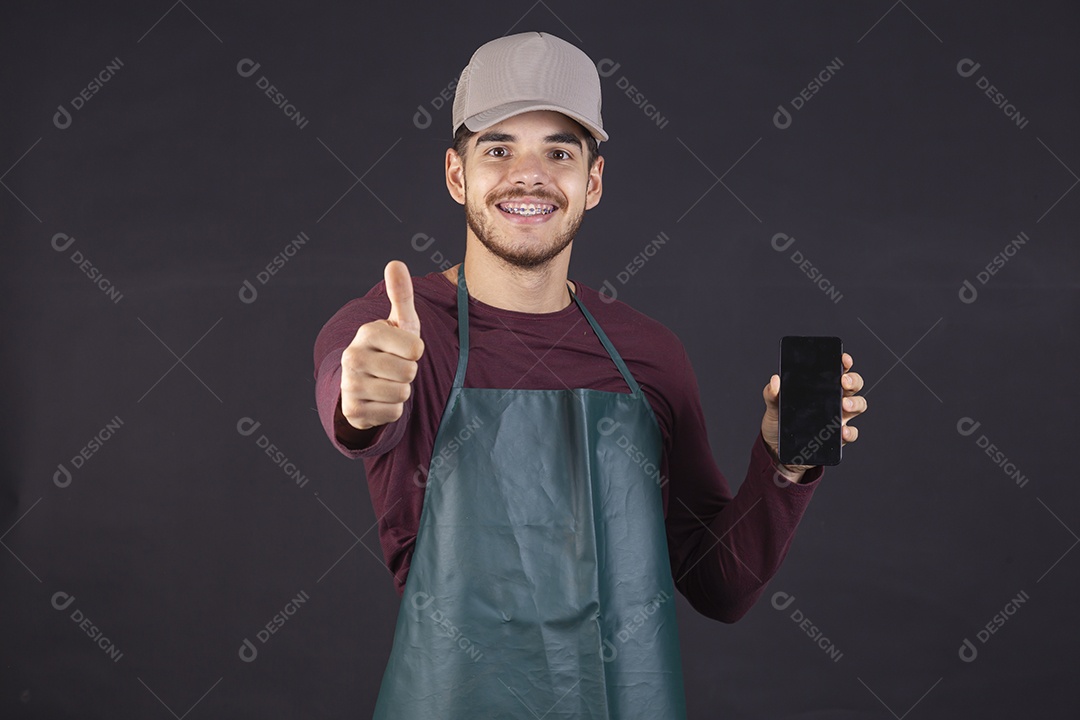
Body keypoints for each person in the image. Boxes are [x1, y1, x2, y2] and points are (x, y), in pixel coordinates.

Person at [313, 31, 867, 719]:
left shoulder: (650, 354)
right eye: (498, 148)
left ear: (592, 182)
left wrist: (785, 464)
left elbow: (719, 587)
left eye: (559, 150)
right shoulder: (397, 329)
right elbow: (354, 392)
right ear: (458, 174)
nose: (529, 174)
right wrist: (361, 399)